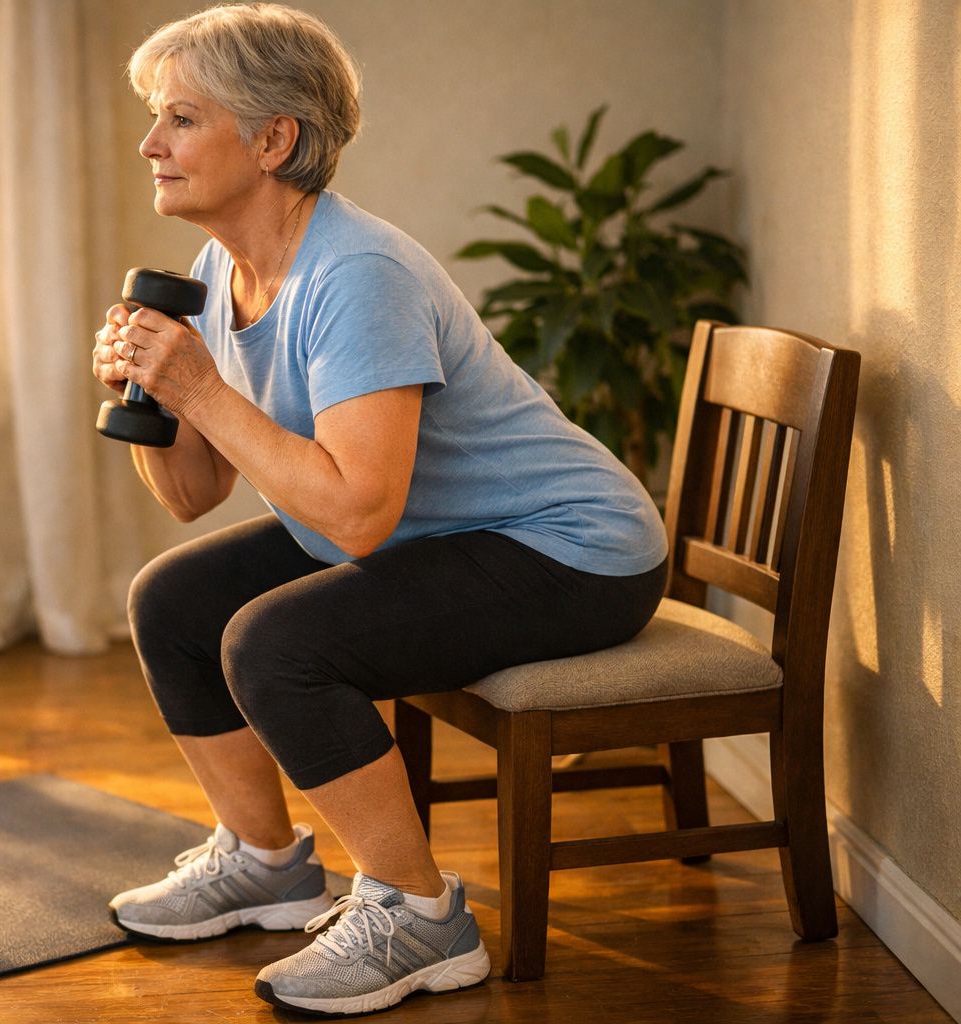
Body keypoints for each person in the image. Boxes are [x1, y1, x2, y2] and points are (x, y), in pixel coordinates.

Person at [91, 3, 668, 1016]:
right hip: (438, 535)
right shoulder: (221, 272)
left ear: (275, 139)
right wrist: (154, 395)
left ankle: (420, 914)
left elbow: (357, 517)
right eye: (157, 118)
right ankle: (267, 862)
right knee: (171, 601)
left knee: (276, 644)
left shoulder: (357, 275)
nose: (151, 144)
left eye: (180, 118)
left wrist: (203, 391)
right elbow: (192, 496)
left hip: (572, 550)